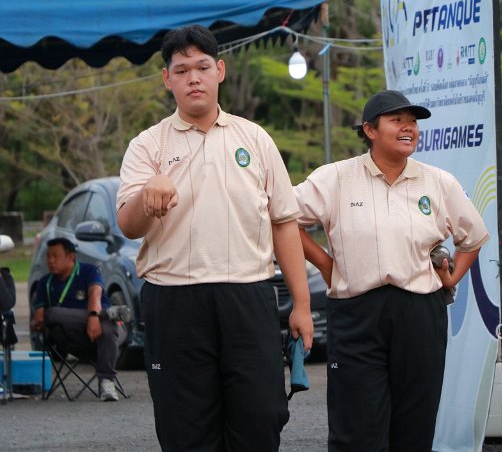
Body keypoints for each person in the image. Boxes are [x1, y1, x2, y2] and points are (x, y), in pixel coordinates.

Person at [116, 24, 313, 451]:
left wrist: (301, 303)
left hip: (248, 295)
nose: (193, 78)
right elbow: (128, 226)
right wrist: (146, 200)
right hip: (174, 300)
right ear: (167, 79)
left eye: (203, 67)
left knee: (261, 418)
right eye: (182, 69)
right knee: (186, 428)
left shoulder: (255, 139)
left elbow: (284, 222)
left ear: (220, 70)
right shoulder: (147, 146)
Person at [294, 89, 490, 451]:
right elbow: (285, 217)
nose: (408, 128)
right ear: (370, 130)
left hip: (419, 312)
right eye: (397, 120)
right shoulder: (336, 177)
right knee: (357, 427)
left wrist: (453, 278)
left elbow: (474, 237)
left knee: (414, 424)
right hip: (356, 313)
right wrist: (323, 263)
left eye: (412, 122)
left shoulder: (438, 181)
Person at [30, 238, 127, 401]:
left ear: (71, 257)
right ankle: (108, 313)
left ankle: (106, 382)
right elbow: (40, 317)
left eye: (55, 256)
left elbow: (95, 293)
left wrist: (94, 316)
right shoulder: (45, 283)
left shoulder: (88, 271)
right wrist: (38, 322)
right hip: (73, 335)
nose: (50, 261)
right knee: (52, 313)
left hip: (109, 332)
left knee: (108, 328)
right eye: (48, 256)